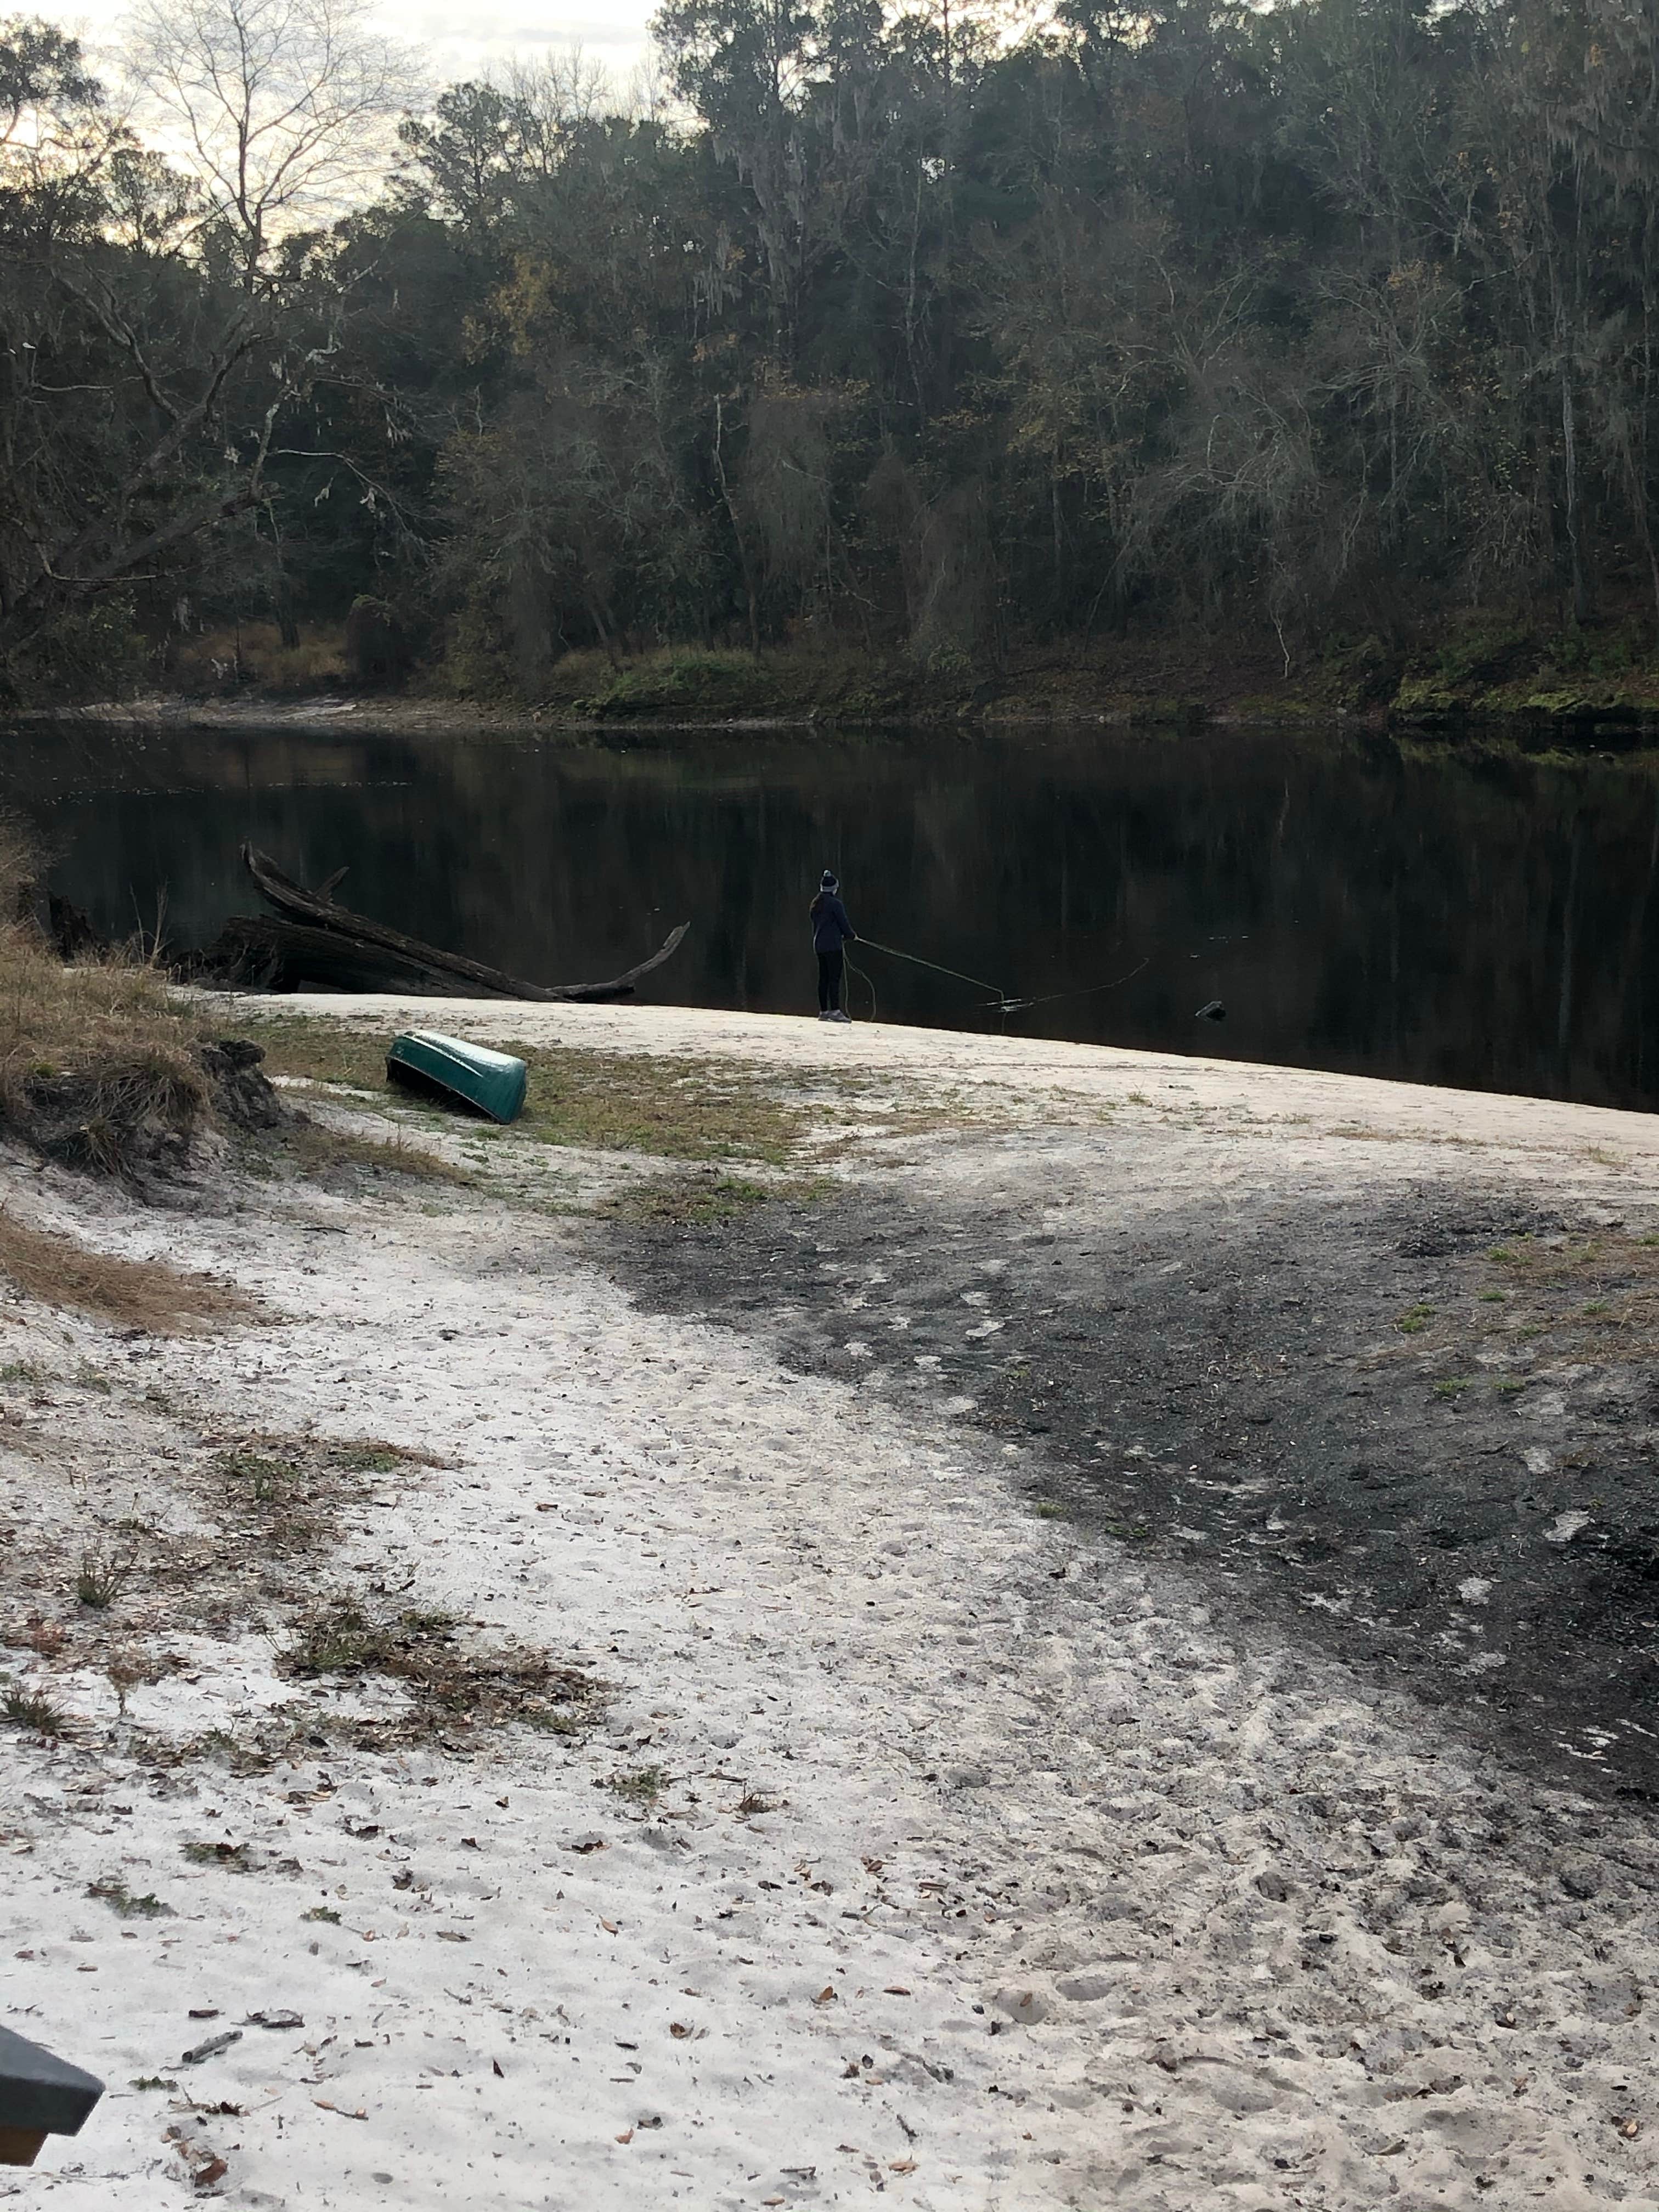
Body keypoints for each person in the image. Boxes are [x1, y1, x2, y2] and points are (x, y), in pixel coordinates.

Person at [810, 868, 856, 1023]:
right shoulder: (836, 904)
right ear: (834, 889)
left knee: (823, 978)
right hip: (833, 947)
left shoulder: (816, 904)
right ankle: (835, 1010)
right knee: (834, 978)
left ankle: (824, 1011)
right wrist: (851, 936)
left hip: (819, 947)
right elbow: (844, 924)